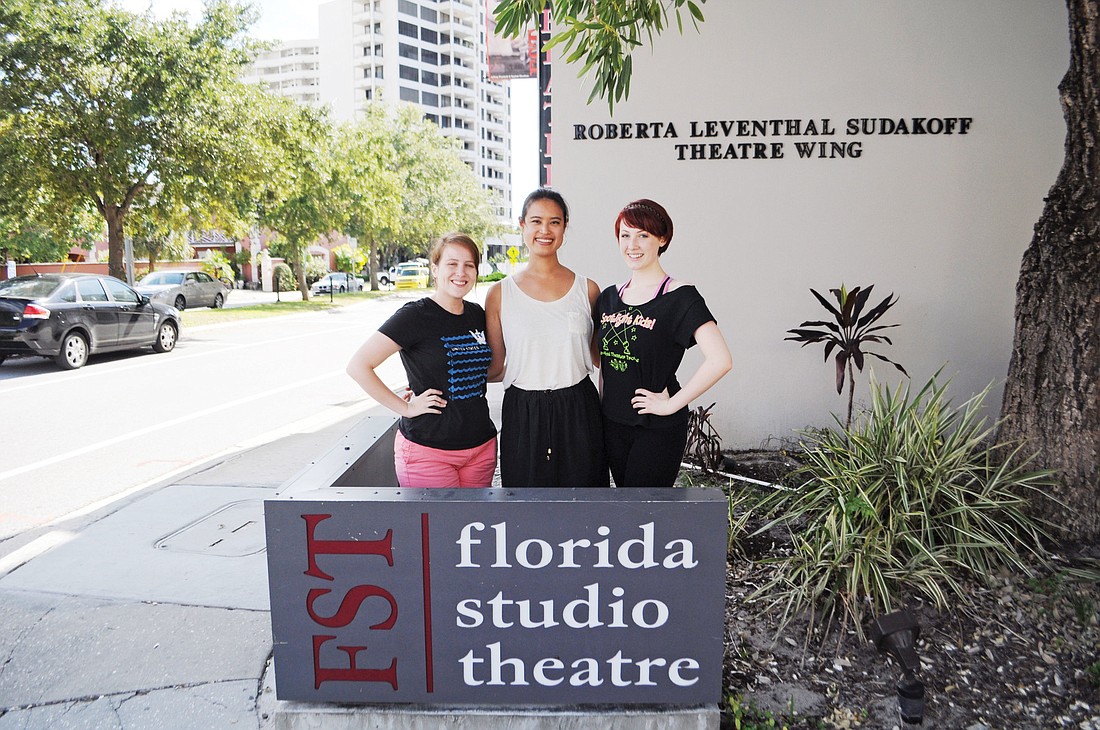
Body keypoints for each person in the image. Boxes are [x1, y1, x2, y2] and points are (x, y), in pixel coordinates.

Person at [595, 199, 732, 487]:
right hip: (612, 424)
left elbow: (720, 360)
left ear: (662, 238)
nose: (632, 245)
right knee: (624, 504)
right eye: (625, 235)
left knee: (645, 511)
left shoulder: (680, 297)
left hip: (656, 428)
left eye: (643, 235)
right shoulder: (608, 297)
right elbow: (604, 363)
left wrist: (672, 405)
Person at [346, 233, 496, 487]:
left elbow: (486, 370)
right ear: (435, 269)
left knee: (472, 525)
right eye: (452, 263)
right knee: (437, 527)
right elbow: (359, 366)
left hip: (480, 448)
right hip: (429, 451)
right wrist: (406, 408)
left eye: (469, 265)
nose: (461, 272)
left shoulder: (477, 315)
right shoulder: (415, 316)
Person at [485, 188, 609, 487]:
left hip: (579, 406)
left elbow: (601, 358)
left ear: (565, 227)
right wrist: (431, 381)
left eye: (554, 222)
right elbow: (494, 366)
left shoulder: (588, 289)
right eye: (536, 221)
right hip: (523, 409)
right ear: (522, 225)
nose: (545, 230)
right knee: (526, 505)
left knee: (587, 500)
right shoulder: (500, 293)